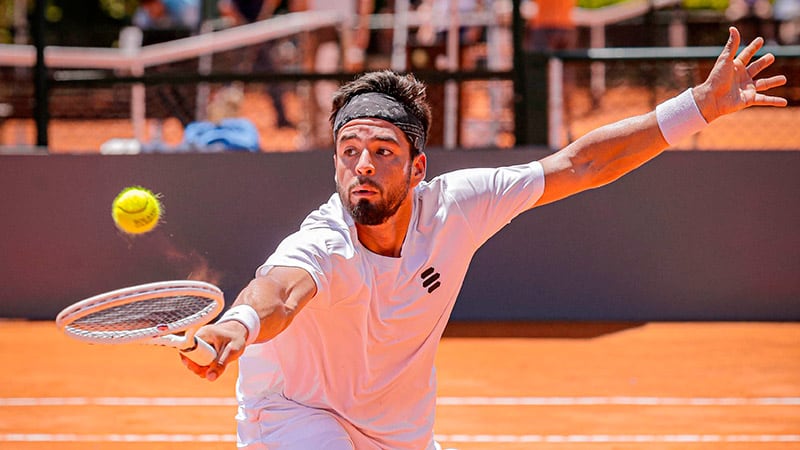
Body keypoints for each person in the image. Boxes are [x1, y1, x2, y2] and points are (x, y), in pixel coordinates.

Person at [182, 27, 786, 449]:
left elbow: (580, 166)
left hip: (397, 429)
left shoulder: (459, 206)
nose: (362, 164)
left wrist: (697, 108)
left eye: (382, 151)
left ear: (418, 168)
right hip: (294, 414)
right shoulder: (320, 243)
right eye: (349, 151)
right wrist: (234, 328)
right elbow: (280, 294)